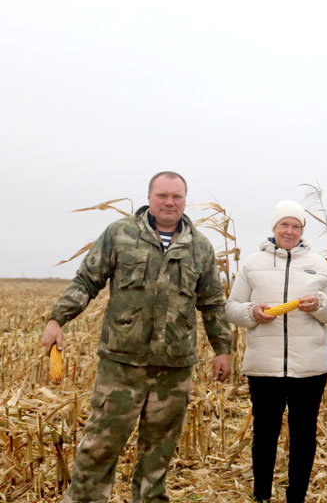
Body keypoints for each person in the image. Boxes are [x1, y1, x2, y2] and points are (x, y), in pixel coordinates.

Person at [41, 171, 233, 503]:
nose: (169, 202)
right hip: (121, 365)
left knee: (158, 456)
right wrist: (58, 319)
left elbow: (213, 303)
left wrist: (223, 349)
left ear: (185, 200)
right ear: (149, 198)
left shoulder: (200, 246)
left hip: (174, 370)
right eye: (162, 196)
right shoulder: (120, 234)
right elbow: (87, 280)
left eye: (176, 196)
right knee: (99, 449)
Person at [226, 200, 327, 503]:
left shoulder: (318, 264)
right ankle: (262, 496)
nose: (289, 231)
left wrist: (319, 305)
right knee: (264, 436)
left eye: (296, 226)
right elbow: (232, 308)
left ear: (302, 230)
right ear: (274, 228)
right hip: (264, 368)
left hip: (310, 369)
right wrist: (253, 312)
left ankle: (297, 498)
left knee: (304, 438)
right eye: (284, 225)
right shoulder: (253, 263)